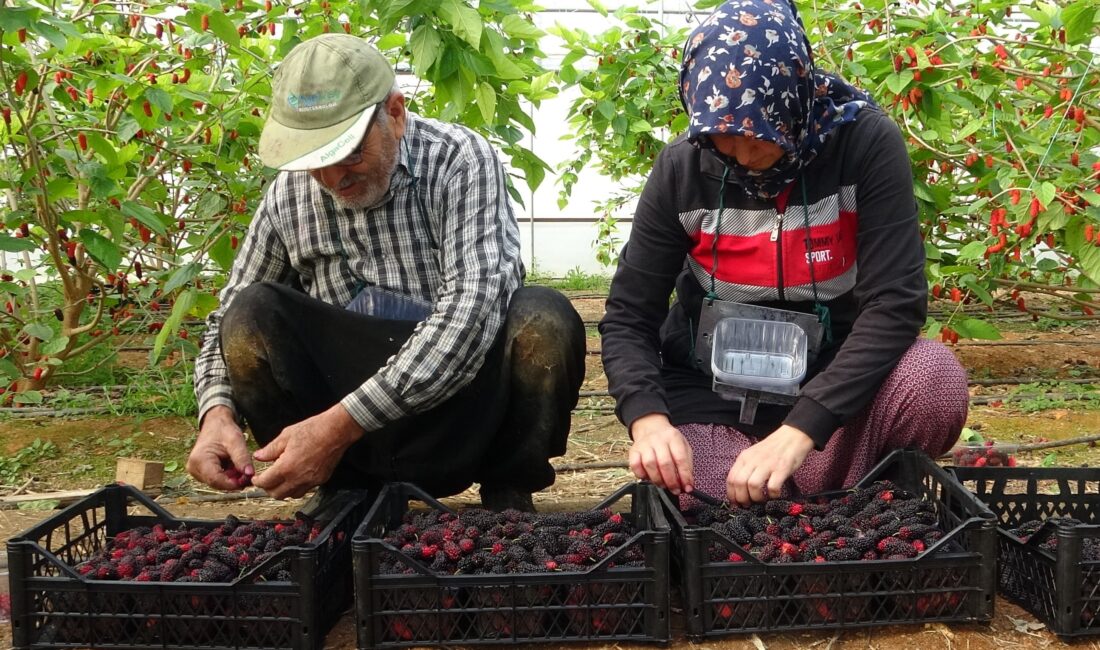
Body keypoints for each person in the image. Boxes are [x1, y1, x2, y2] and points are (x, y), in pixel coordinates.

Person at [188, 34, 586, 512]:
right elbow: (227, 315)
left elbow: (468, 319)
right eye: (317, 161)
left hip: (465, 412)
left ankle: (507, 488)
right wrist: (215, 412)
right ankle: (348, 489)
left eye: (350, 153)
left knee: (543, 318)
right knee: (248, 313)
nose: (335, 176)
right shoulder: (287, 196)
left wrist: (338, 425)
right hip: (351, 425)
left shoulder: (459, 160)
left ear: (395, 114)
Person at [599, 0, 968, 508]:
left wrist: (801, 430)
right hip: (713, 398)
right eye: (723, 144)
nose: (744, 159)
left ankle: (822, 487)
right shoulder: (681, 170)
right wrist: (648, 419)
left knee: (933, 381)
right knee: (696, 497)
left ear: (790, 101)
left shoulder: (863, 146)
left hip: (833, 400)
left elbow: (895, 304)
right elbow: (628, 315)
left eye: (756, 138)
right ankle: (837, 497)